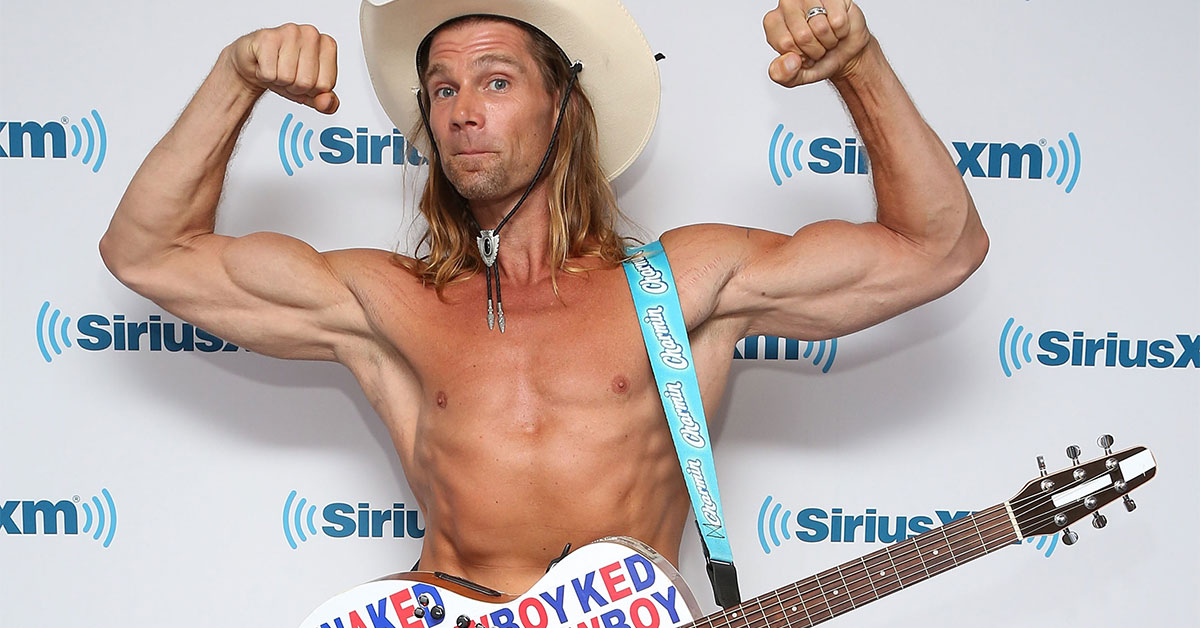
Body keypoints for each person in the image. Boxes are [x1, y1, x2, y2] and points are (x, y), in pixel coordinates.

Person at [99, 0, 987, 595]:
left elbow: (937, 249)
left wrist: (859, 66)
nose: (461, 109)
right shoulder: (389, 299)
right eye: (442, 88)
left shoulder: (683, 284)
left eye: (495, 80)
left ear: (565, 105)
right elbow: (148, 253)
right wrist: (235, 78)